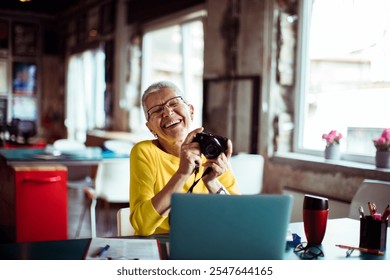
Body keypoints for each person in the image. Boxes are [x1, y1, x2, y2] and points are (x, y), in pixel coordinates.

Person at [129, 81, 240, 236]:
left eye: (174, 103)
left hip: (207, 242)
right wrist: (182, 173)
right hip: (160, 245)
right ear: (150, 128)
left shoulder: (212, 150)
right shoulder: (144, 152)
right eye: (157, 110)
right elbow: (142, 226)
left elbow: (238, 218)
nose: (167, 113)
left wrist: (212, 182)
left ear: (191, 111)